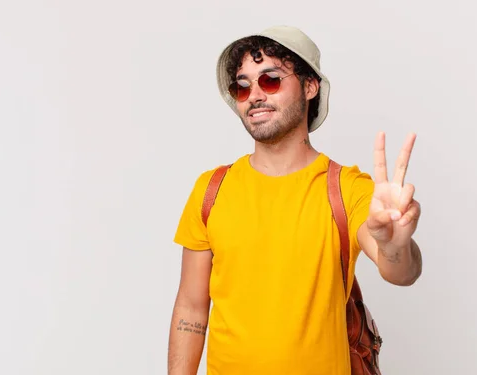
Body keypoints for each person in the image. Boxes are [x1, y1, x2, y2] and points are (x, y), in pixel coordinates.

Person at [167, 25, 423, 375]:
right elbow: (191, 308)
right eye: (242, 86)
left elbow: (401, 271)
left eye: (270, 79)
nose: (254, 95)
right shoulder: (211, 189)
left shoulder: (346, 188)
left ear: (309, 86)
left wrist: (396, 244)